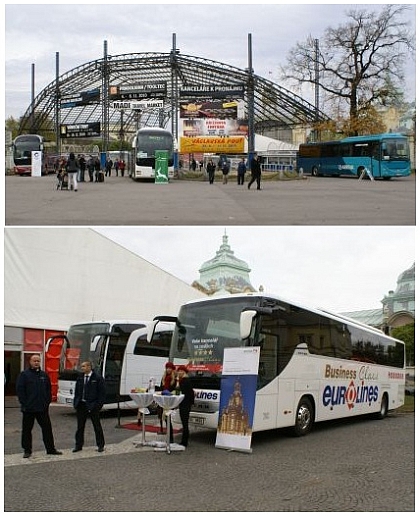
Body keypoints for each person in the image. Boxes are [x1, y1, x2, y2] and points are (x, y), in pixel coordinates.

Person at [16, 354, 62, 458]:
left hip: (42, 408)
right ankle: (27, 450)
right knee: (27, 430)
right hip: (28, 409)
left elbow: (48, 390)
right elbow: (20, 391)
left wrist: (47, 402)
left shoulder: (44, 375)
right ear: (30, 362)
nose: (36, 363)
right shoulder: (24, 375)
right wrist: (25, 404)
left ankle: (50, 449)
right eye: (34, 361)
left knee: (47, 429)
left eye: (38, 361)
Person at [72, 361, 106, 453]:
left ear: (89, 367)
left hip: (93, 405)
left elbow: (102, 394)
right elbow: (77, 391)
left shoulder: (97, 378)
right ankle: (78, 445)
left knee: (97, 426)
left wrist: (97, 406)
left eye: (83, 366)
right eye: (81, 366)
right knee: (80, 427)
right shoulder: (80, 377)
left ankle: (100, 445)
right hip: (81, 405)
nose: (82, 368)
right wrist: (76, 402)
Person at [175, 365, 195, 448]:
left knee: (185, 423)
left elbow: (180, 390)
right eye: (178, 371)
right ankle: (184, 440)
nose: (179, 372)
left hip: (185, 404)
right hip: (184, 404)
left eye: (181, 371)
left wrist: (177, 382)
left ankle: (184, 442)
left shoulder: (185, 381)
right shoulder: (183, 380)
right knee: (184, 422)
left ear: (184, 372)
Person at [156, 362, 176, 434]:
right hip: (163, 398)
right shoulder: (164, 377)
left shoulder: (174, 378)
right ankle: (166, 430)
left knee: (168, 416)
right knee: (162, 415)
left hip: (169, 399)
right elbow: (161, 387)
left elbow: (174, 388)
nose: (168, 369)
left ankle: (169, 432)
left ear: (172, 369)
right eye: (167, 368)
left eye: (170, 368)